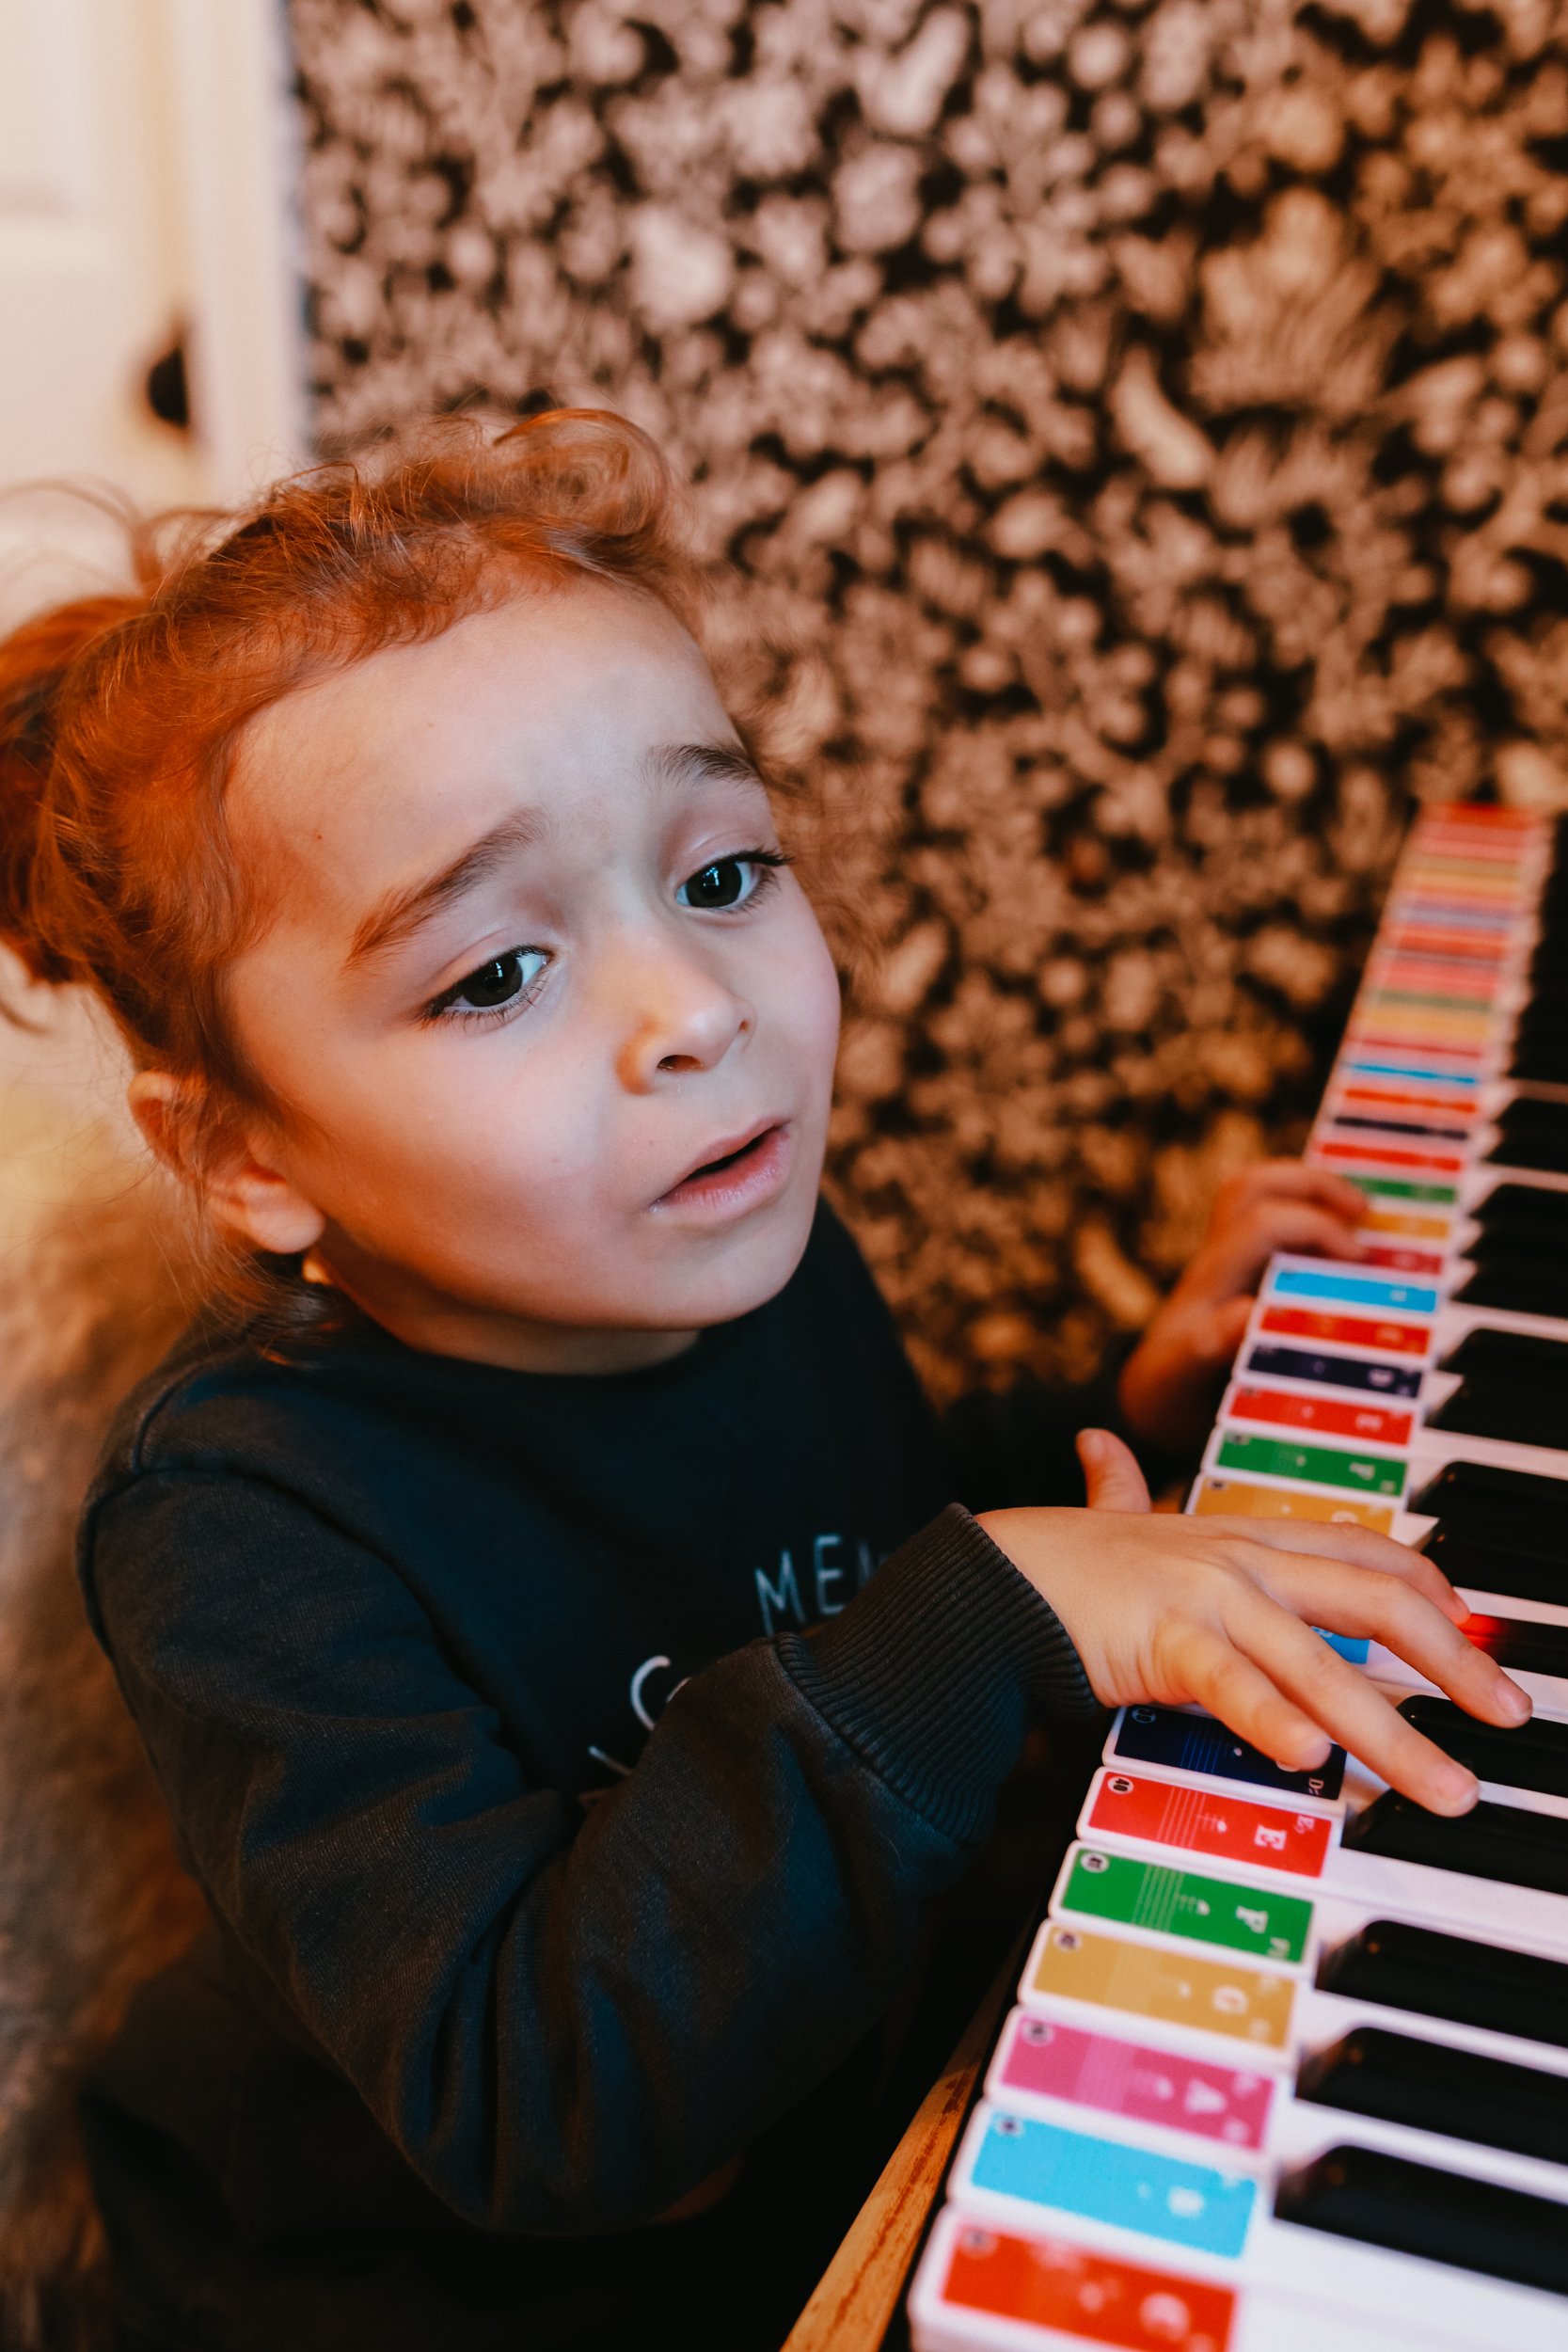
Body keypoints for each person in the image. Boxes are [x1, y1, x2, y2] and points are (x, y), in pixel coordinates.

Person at [0, 411, 1528, 2352]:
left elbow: (856, 1525)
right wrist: (992, 1615)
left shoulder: (732, 1256)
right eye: (495, 974)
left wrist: (1123, 1407)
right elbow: (535, 2096)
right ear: (242, 1155)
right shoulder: (237, 1528)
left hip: (838, 2159)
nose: (696, 1007)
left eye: (722, 869)